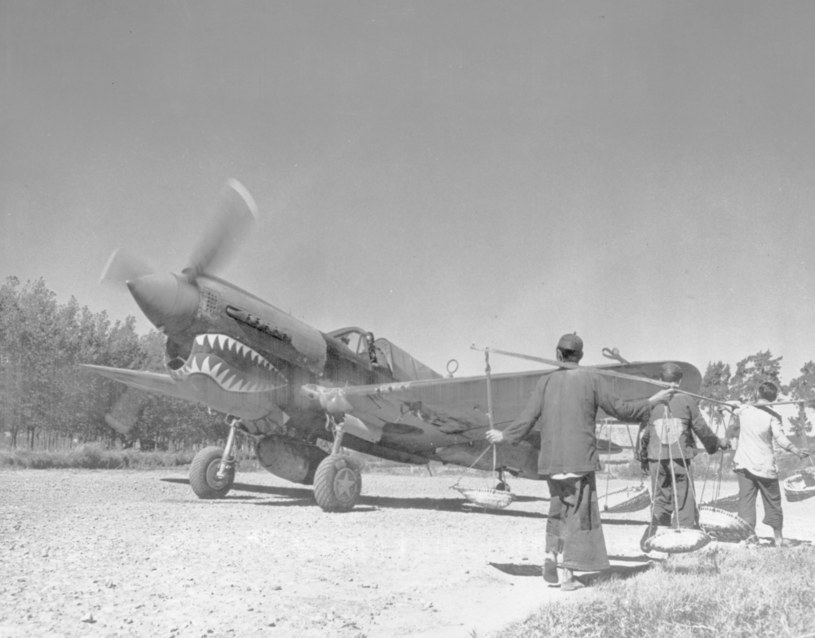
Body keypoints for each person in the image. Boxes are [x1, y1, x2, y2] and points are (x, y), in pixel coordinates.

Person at [485, 333, 675, 591]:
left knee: (557, 510)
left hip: (551, 461)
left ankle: (550, 557)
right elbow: (621, 410)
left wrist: (505, 435)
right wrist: (654, 400)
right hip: (580, 459)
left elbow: (527, 417)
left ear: (557, 353)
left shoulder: (545, 382)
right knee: (577, 514)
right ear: (581, 356)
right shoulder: (592, 378)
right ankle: (568, 575)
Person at [639, 363, 728, 550]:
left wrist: (643, 458)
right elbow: (701, 428)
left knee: (660, 497)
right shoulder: (687, 400)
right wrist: (716, 444)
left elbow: (644, 433)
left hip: (656, 459)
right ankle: (683, 542)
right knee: (684, 497)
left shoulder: (652, 401)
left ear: (660, 380)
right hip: (679, 459)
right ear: (679, 381)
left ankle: (661, 540)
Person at [727, 381, 811, 547]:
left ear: (758, 394)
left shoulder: (743, 410)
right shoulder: (773, 415)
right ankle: (778, 539)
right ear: (774, 397)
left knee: (746, 501)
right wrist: (795, 450)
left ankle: (748, 538)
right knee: (773, 501)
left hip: (744, 464)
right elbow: (780, 438)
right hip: (765, 466)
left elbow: (726, 407)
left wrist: (732, 406)